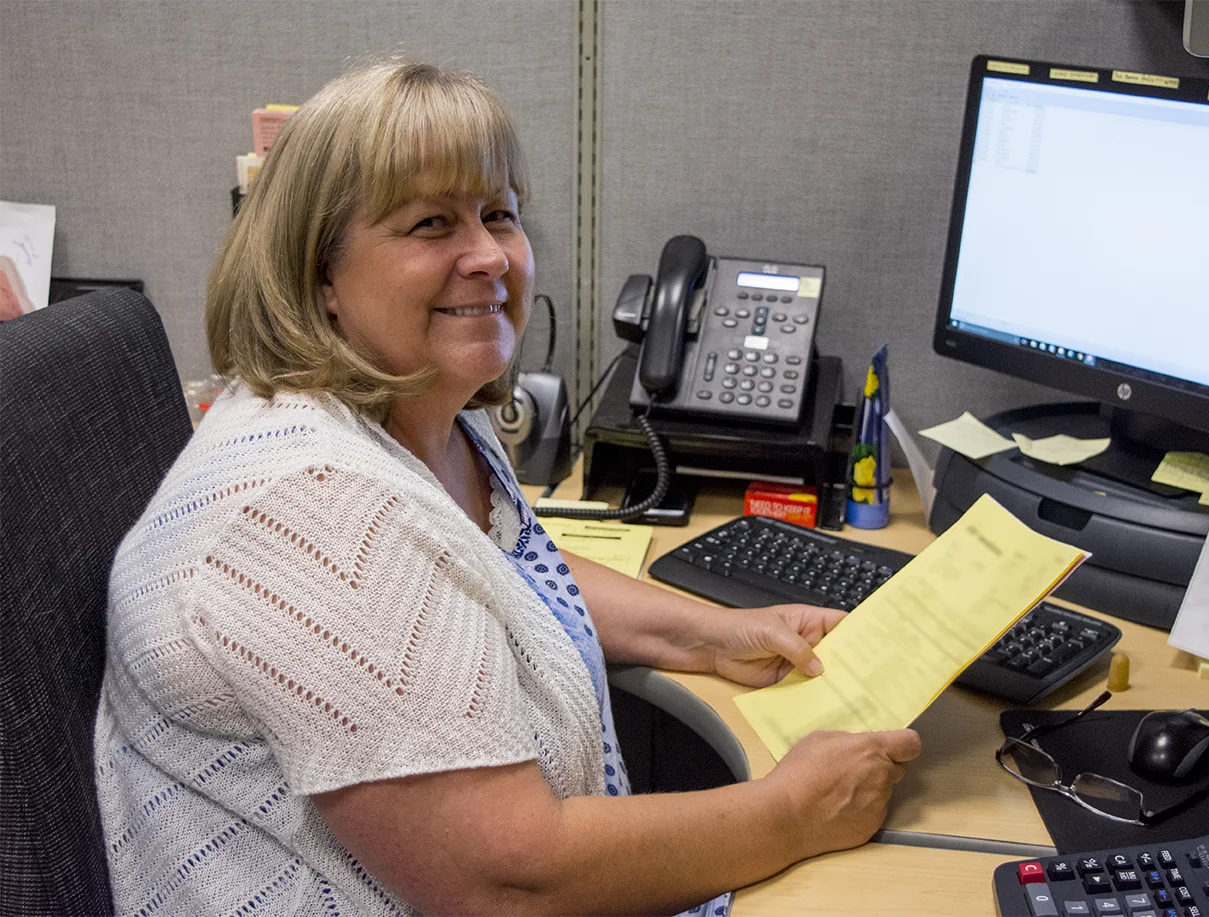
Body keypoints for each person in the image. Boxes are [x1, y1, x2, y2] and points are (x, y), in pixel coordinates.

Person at [94, 61, 921, 916]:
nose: (488, 255)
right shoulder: (319, 505)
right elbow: (508, 880)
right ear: (321, 276)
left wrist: (709, 636)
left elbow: (497, 576)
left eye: (499, 214)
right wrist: (795, 810)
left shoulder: (413, 407)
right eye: (430, 224)